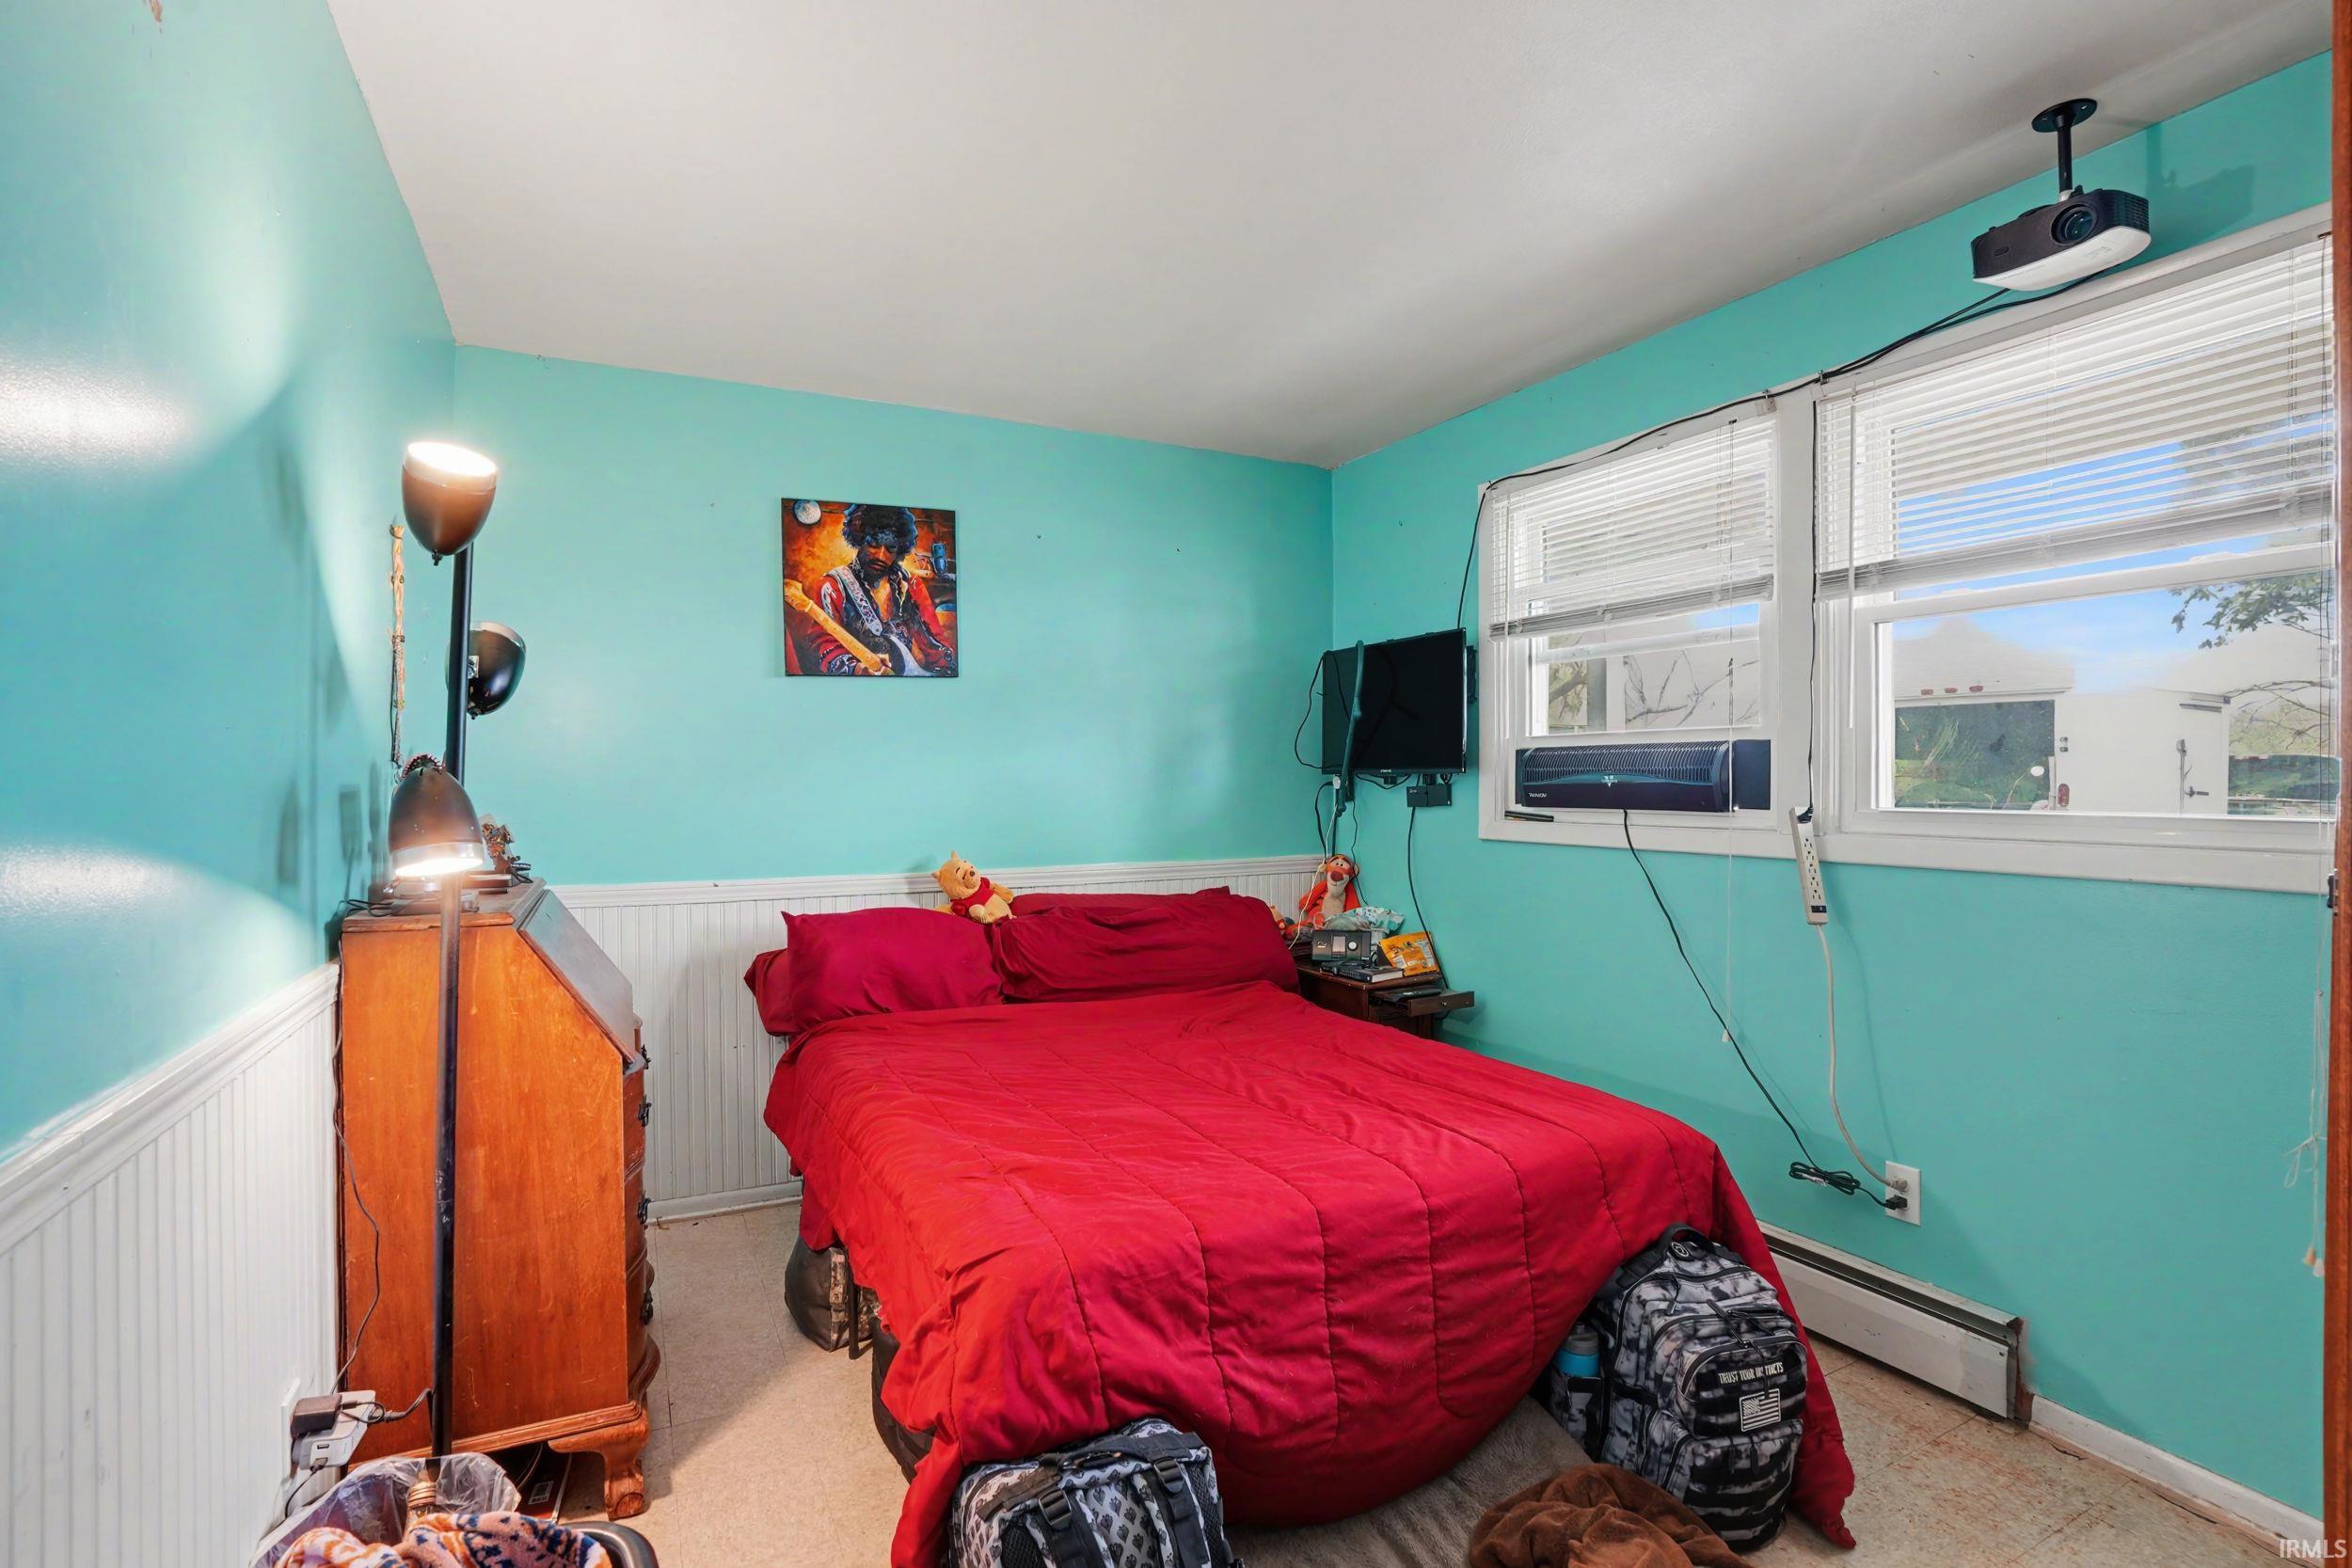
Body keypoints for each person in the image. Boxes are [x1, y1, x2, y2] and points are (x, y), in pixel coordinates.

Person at [804, 505, 956, 675]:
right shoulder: (832, 587)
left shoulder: (911, 583)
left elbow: (934, 638)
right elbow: (824, 644)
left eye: (891, 548)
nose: (881, 556)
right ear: (859, 540)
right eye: (873, 544)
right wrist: (857, 669)